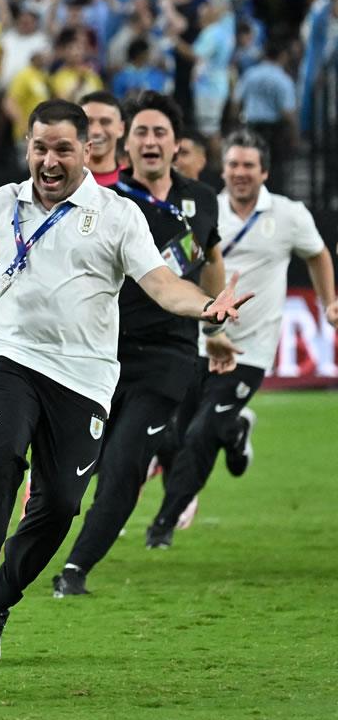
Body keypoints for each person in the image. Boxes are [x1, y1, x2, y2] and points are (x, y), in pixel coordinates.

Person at [0, 99, 250, 659]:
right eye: (39, 147)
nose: (48, 160)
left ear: (86, 150)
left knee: (61, 503)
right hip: (8, 355)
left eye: (62, 148)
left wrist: (208, 307)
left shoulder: (116, 214)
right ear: (28, 149)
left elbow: (162, 285)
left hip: (84, 377)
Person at [52, 91, 225, 598]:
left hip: (169, 355)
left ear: (177, 145)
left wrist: (215, 323)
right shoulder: (103, 198)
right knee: (75, 467)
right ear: (127, 143)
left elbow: (209, 255)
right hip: (101, 351)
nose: (151, 141)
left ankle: (75, 569)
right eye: (143, 133)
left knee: (126, 462)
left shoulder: (202, 199)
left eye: (161, 133)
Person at [144, 130, 337, 546]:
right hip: (202, 339)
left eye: (249, 165)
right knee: (173, 436)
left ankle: (163, 524)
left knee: (200, 434)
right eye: (233, 164)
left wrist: (328, 303)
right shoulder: (206, 212)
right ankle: (235, 432)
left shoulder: (289, 214)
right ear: (224, 169)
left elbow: (318, 253)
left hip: (251, 351)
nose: (240, 173)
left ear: (264, 171)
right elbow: (174, 263)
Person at [233, 40, 297, 195]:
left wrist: (235, 123)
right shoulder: (283, 79)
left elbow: (236, 102)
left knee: (252, 164)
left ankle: (251, 194)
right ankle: (273, 196)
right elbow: (287, 112)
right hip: (274, 130)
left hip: (251, 127)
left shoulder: (250, 74)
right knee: (274, 168)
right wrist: (295, 134)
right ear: (282, 56)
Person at [80, 91, 125, 186]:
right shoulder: (63, 182)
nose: (96, 131)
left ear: (121, 128)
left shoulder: (134, 184)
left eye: (105, 122)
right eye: (88, 122)